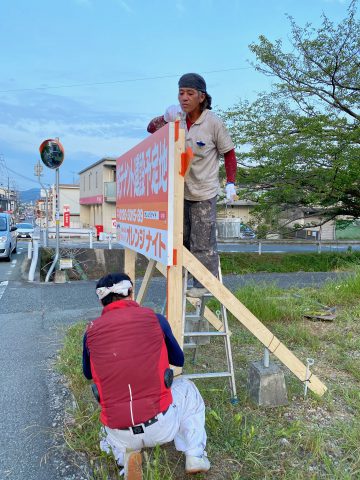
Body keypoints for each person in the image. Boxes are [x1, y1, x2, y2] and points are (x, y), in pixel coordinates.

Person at [82, 272, 210, 479]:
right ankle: (195, 455)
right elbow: (179, 360)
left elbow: (88, 373)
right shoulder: (155, 319)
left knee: (111, 421)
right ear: (130, 293)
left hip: (118, 430)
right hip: (161, 426)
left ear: (102, 301)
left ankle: (127, 459)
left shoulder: (91, 332)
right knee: (187, 388)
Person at [147, 73, 237, 298]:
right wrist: (165, 117)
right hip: (179, 192)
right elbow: (150, 129)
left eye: (190, 93)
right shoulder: (176, 119)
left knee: (203, 240)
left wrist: (231, 183)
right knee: (182, 239)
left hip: (204, 191)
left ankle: (204, 284)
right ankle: (184, 280)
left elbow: (229, 153)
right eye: (181, 93)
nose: (184, 98)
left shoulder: (212, 122)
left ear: (201, 97)